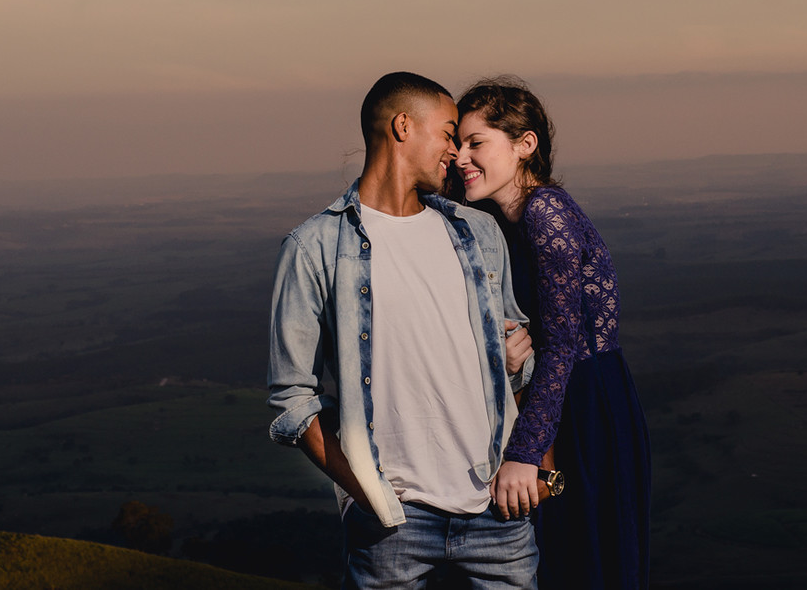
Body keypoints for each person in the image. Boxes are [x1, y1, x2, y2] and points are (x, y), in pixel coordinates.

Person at [267, 71, 540, 589]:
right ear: (402, 127)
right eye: (448, 133)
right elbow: (292, 399)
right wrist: (368, 495)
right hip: (392, 524)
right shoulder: (314, 248)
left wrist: (533, 466)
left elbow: (522, 365)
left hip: (497, 513)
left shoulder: (478, 232)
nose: (457, 152)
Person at [453, 77, 652, 590]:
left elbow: (563, 344)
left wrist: (525, 452)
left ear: (525, 145)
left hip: (583, 398)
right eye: (458, 144)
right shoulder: (503, 219)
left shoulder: (544, 213)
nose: (460, 157)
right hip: (561, 393)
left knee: (582, 558)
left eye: (477, 142)